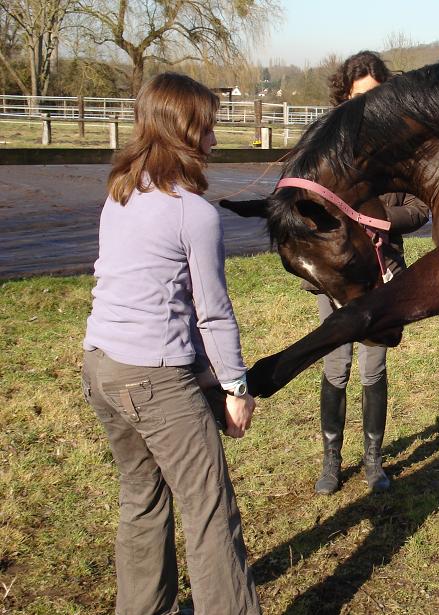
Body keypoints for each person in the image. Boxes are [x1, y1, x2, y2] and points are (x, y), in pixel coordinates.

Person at [81, 72, 261, 614]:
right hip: (153, 380)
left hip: (101, 369)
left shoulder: (121, 192)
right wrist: (235, 386)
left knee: (142, 497)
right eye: (207, 126)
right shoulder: (193, 213)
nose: (214, 137)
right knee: (209, 507)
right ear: (184, 129)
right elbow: (212, 311)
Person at [305, 51, 430, 495]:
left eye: (375, 96)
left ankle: (374, 461)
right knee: (336, 365)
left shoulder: (401, 149)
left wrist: (378, 223)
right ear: (344, 97)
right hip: (337, 276)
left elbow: (419, 208)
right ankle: (331, 461)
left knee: (373, 367)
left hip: (383, 274)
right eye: (359, 96)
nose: (367, 105)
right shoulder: (327, 148)